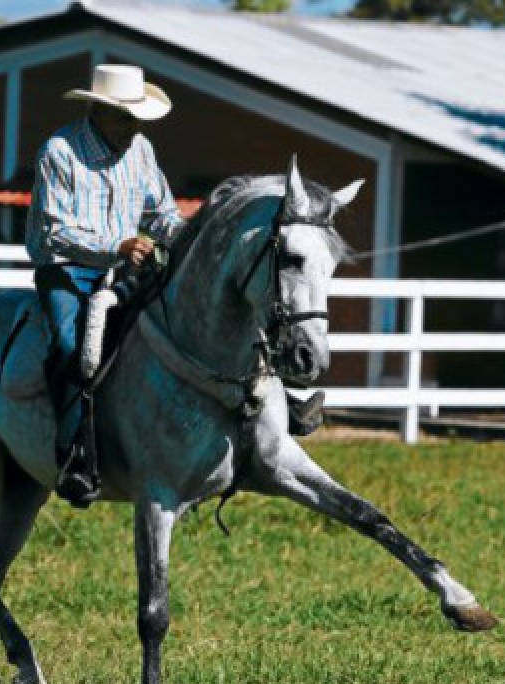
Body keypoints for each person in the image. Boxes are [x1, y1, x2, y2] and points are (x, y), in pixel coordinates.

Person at [26, 64, 325, 508]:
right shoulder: (60, 152)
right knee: (73, 348)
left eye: (137, 118)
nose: (133, 128)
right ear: (97, 110)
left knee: (214, 314)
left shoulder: (141, 150)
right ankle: (76, 456)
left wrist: (187, 236)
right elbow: (54, 232)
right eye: (124, 117)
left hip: (131, 265)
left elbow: (161, 212)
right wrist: (120, 244)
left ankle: (281, 404)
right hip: (70, 271)